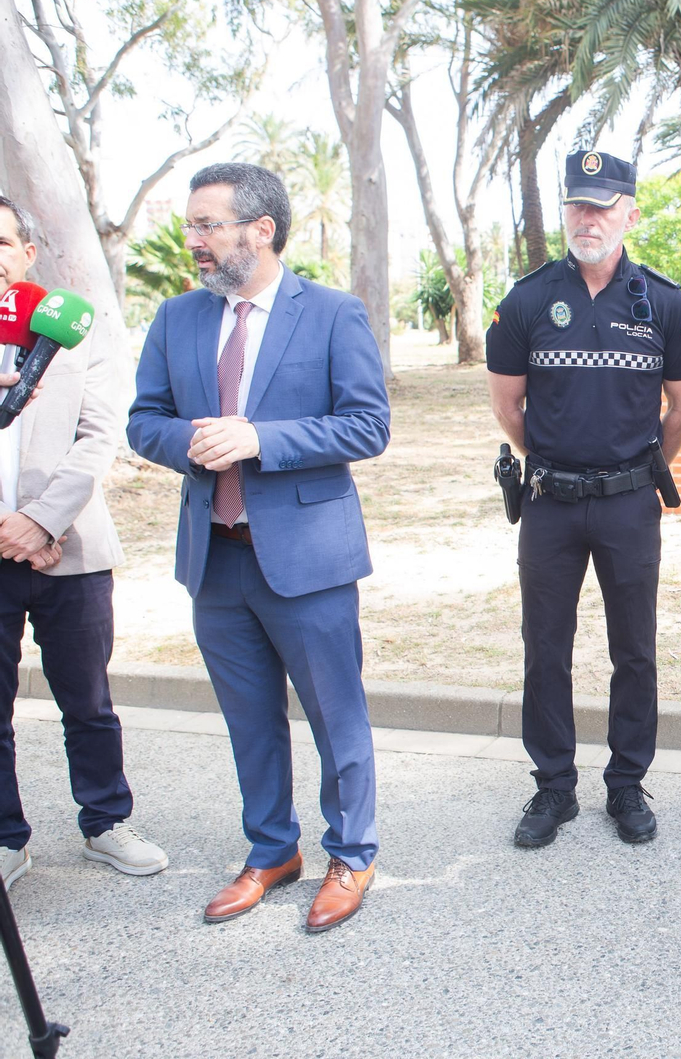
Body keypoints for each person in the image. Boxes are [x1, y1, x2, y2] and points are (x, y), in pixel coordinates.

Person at [126, 163, 390, 932]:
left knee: (336, 718)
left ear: (260, 229)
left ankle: (352, 852)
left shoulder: (333, 313)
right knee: (249, 720)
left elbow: (366, 426)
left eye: (208, 225)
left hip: (308, 561)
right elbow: (145, 420)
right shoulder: (176, 318)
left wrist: (260, 439)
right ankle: (273, 850)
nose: (194, 240)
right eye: (192, 225)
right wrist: (192, 440)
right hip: (215, 560)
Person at [487, 151, 681, 848]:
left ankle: (627, 784)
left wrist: (632, 472)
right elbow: (509, 408)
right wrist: (558, 461)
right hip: (548, 501)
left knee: (633, 650)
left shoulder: (664, 304)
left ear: (630, 214)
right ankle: (553, 788)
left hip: (629, 505)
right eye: (577, 205)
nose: (588, 219)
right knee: (544, 647)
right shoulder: (524, 300)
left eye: (602, 206)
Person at [0, 194, 167, 890]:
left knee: (88, 701)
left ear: (26, 252)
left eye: (1, 243)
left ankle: (105, 822)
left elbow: (100, 432)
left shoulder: (71, 323)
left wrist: (39, 521)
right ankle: (9, 840)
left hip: (72, 547)